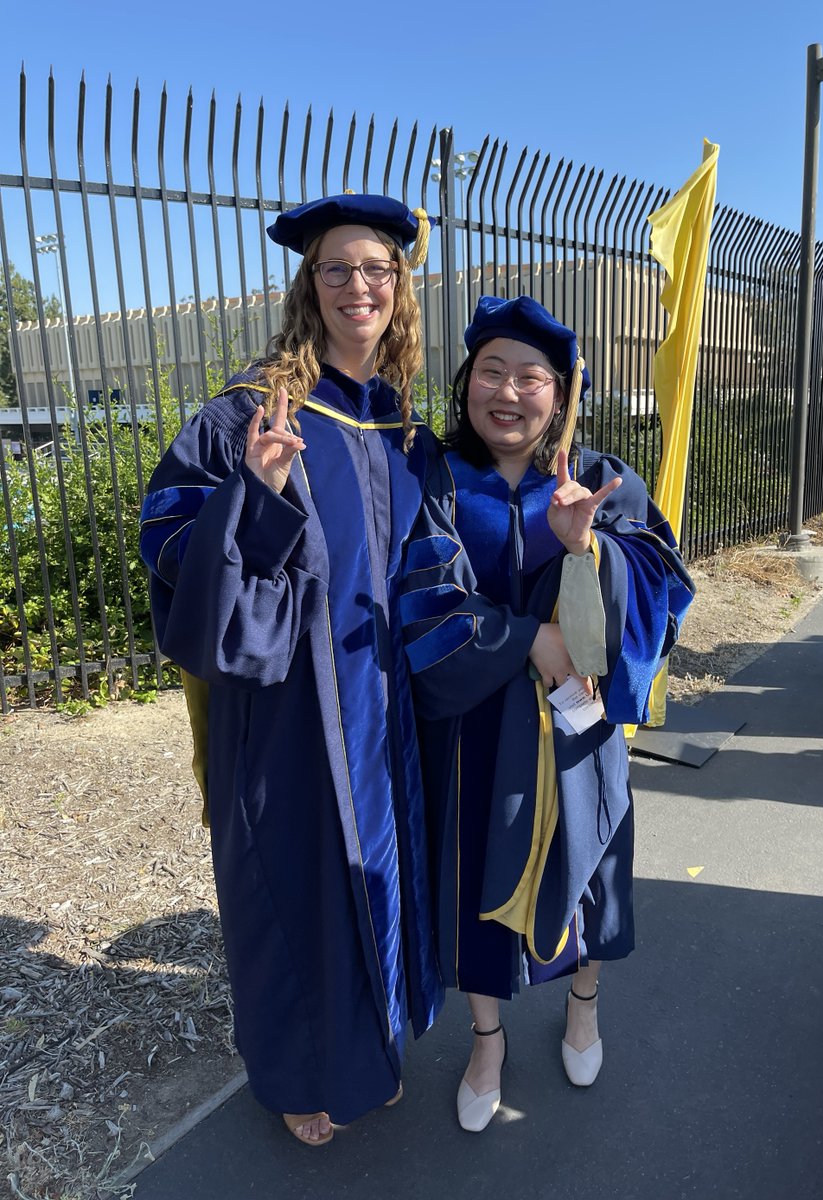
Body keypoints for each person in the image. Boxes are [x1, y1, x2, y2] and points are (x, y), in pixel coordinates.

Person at [138, 194, 455, 1148]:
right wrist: (258, 489)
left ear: (400, 291)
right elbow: (167, 538)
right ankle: (297, 1074)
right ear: (308, 287)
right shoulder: (250, 410)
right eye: (338, 269)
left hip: (380, 699)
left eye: (378, 270)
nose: (359, 285)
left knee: (375, 872)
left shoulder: (399, 424)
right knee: (291, 885)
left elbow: (433, 559)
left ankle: (367, 1053)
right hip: (283, 703)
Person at [401, 294, 695, 1131]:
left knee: (591, 870)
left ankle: (584, 1005)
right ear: (466, 385)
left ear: (560, 399)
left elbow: (662, 590)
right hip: (479, 730)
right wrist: (527, 637)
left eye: (532, 377)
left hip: (578, 730)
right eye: (491, 371)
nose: (509, 391)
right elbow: (418, 601)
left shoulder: (601, 479)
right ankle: (488, 1039)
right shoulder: (441, 481)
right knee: (479, 885)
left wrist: (586, 548)